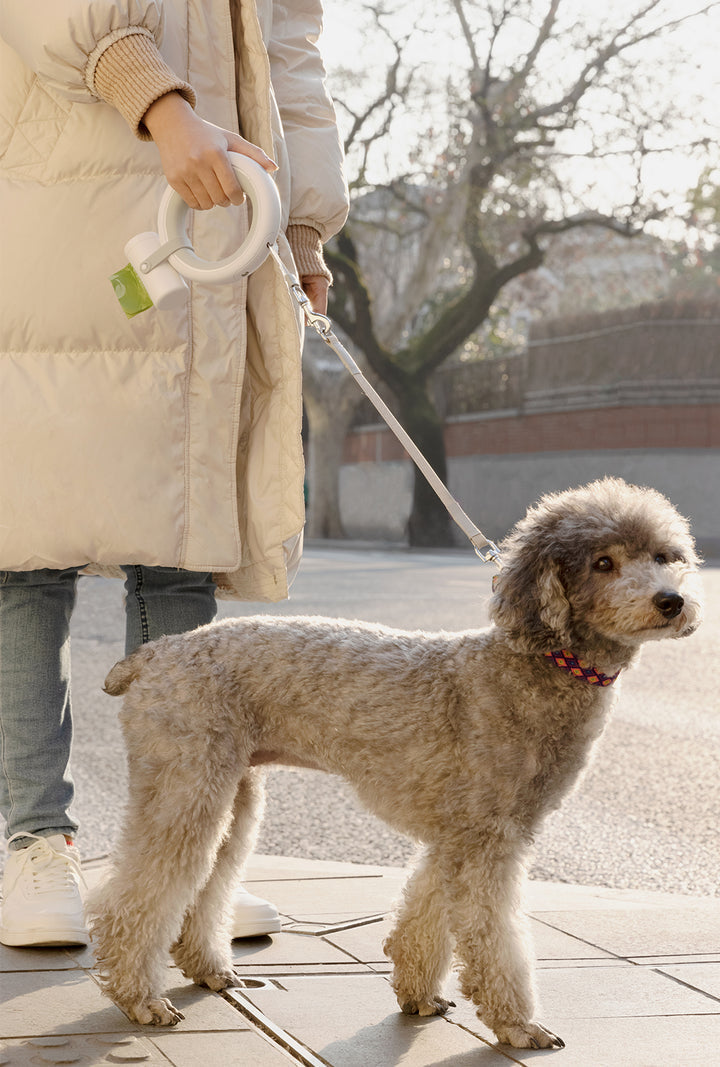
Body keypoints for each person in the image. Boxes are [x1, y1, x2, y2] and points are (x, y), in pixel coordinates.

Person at [0, 0, 348, 947]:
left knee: (181, 536)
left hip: (212, 221)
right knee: (30, 546)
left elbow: (291, 54)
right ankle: (33, 842)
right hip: (60, 202)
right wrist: (158, 103)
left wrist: (306, 226)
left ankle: (178, 856)